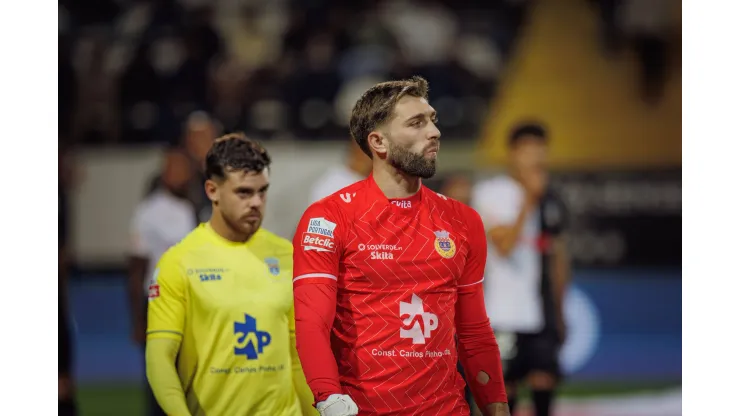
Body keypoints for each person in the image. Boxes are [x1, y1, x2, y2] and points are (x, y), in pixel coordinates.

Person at [292, 76, 509, 416]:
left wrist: (497, 409)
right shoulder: (329, 218)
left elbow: (474, 332)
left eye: (433, 120)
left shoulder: (463, 221)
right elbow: (311, 323)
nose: (434, 133)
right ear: (378, 142)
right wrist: (327, 397)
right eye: (416, 123)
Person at [145, 133, 316, 415]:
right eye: (244, 192)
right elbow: (160, 358)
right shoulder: (180, 262)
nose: (257, 203)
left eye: (262, 191)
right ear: (212, 190)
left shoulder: (288, 256)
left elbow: (299, 357)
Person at [470, 123, 571, 416]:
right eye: (528, 151)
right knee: (505, 388)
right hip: (504, 311)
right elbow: (504, 247)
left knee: (544, 379)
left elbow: (558, 255)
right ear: (512, 154)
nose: (536, 159)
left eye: (541, 151)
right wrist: (529, 199)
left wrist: (560, 308)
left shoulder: (552, 199)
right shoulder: (492, 193)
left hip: (542, 309)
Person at [128, 148, 198, 416]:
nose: (183, 176)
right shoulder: (149, 211)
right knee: (161, 382)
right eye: (177, 169)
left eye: (186, 169)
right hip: (159, 304)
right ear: (166, 173)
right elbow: (136, 268)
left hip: (189, 305)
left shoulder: (192, 207)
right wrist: (137, 317)